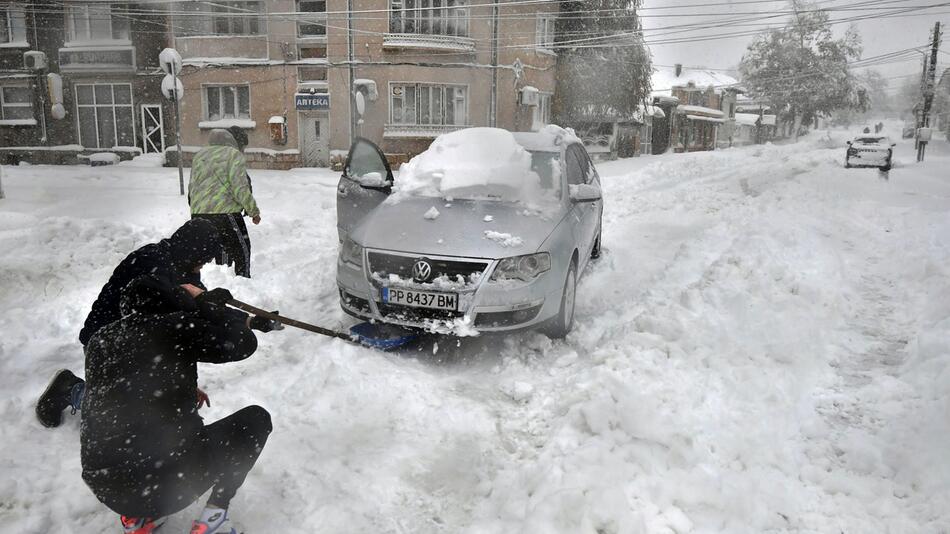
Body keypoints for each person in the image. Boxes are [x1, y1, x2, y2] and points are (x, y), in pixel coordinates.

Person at [81, 275, 276, 534]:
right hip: (165, 487)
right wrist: (208, 304)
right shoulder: (174, 326)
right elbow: (242, 344)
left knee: (130, 434)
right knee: (256, 420)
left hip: (105, 486)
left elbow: (119, 386)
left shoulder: (100, 340)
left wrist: (178, 385)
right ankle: (214, 519)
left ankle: (136, 519)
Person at [35, 219, 224, 428]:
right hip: (105, 343)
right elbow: (171, 329)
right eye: (202, 260)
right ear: (192, 252)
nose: (202, 266)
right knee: (127, 417)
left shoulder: (182, 266)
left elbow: (193, 319)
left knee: (159, 405)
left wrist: (246, 320)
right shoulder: (153, 264)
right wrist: (178, 385)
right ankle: (70, 389)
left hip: (137, 343)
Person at [189, 128, 260, 278]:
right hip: (225, 213)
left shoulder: (199, 156)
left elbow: (192, 186)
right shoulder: (233, 155)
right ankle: (243, 281)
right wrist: (253, 211)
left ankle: (222, 280)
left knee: (220, 249)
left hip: (199, 213)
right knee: (242, 249)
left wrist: (197, 209)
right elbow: (240, 186)